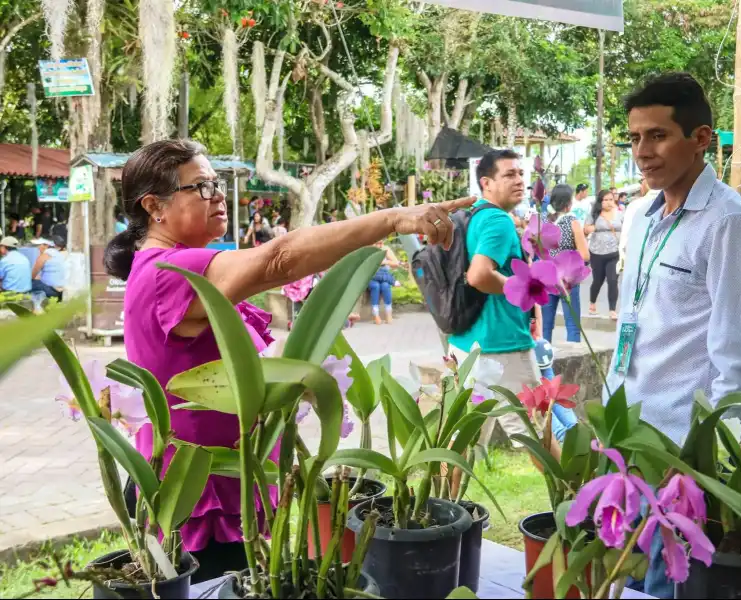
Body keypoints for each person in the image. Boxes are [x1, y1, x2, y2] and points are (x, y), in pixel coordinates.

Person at [104, 139, 472, 583]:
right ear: (153, 207)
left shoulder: (180, 269)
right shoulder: (169, 274)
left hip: (224, 482)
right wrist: (394, 219)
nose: (218, 195)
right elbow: (279, 258)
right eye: (201, 187)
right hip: (203, 497)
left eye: (217, 183)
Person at [610, 73, 741, 599]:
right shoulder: (641, 216)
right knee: (623, 575)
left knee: (668, 582)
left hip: (683, 449)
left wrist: (719, 456)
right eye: (634, 138)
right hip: (629, 431)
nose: (643, 152)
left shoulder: (728, 224)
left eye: (658, 135)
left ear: (702, 138)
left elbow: (739, 353)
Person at [448, 148, 540, 449]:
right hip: (502, 344)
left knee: (465, 436)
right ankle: (571, 496)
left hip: (467, 341)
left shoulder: (469, 217)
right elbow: (478, 275)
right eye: (509, 174)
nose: (519, 181)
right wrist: (522, 289)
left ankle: (440, 498)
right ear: (486, 183)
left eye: (521, 174)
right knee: (535, 434)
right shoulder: (499, 221)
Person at [540, 184, 590, 342]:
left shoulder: (542, 221)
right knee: (573, 324)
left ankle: (542, 362)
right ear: (569, 203)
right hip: (567, 278)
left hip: (546, 277)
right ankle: (574, 361)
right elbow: (585, 254)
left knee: (545, 326)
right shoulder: (572, 222)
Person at [584, 189, 623, 319]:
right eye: (605, 200)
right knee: (598, 280)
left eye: (610, 199)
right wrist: (597, 227)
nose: (608, 203)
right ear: (600, 202)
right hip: (597, 252)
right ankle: (592, 304)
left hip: (615, 252)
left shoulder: (620, 213)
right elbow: (586, 229)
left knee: (613, 280)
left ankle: (612, 309)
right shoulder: (594, 214)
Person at [368, 240, 400, 325]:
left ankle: (388, 313)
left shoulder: (385, 249)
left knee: (385, 286)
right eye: (377, 243)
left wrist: (384, 262)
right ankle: (375, 314)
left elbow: (396, 263)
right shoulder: (368, 250)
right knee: (375, 286)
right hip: (371, 277)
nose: (379, 245)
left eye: (381, 243)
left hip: (383, 276)